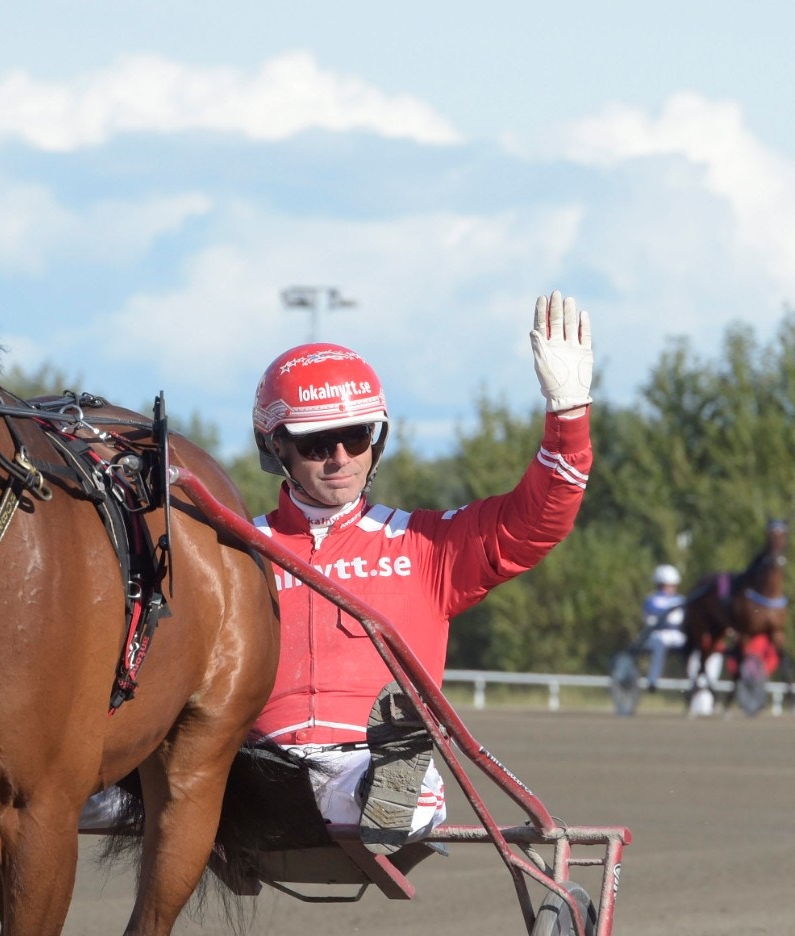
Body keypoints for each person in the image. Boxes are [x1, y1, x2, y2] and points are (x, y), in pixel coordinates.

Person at [249, 289, 592, 861]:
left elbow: (538, 519)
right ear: (275, 444)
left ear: (376, 441)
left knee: (394, 779)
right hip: (248, 765)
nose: (339, 458)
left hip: (364, 760)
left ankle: (389, 788)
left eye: (355, 437)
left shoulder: (427, 545)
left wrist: (569, 415)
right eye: (315, 442)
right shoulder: (230, 547)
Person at [635, 564, 686, 692]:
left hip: (676, 635)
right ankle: (652, 680)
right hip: (656, 635)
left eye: (672, 584)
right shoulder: (652, 599)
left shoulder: (681, 600)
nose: (671, 587)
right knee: (660, 643)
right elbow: (651, 617)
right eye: (668, 584)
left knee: (693, 643)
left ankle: (697, 681)